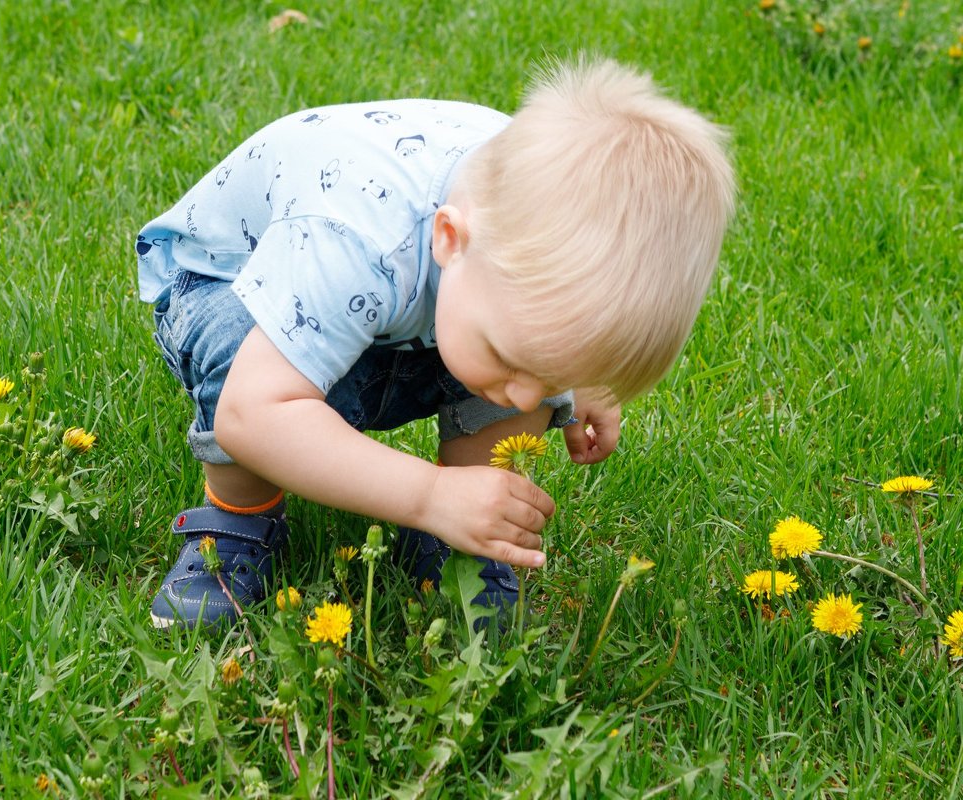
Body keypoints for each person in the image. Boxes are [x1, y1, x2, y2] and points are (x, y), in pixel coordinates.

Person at [136, 58, 736, 629]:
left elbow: (541, 339)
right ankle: (238, 521)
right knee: (242, 355)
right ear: (451, 238)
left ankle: (460, 532)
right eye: (513, 358)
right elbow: (252, 413)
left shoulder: (512, 235)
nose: (531, 394)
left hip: (400, 310)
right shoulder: (352, 241)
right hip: (236, 292)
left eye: (554, 371)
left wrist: (586, 379)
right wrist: (426, 495)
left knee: (513, 369)